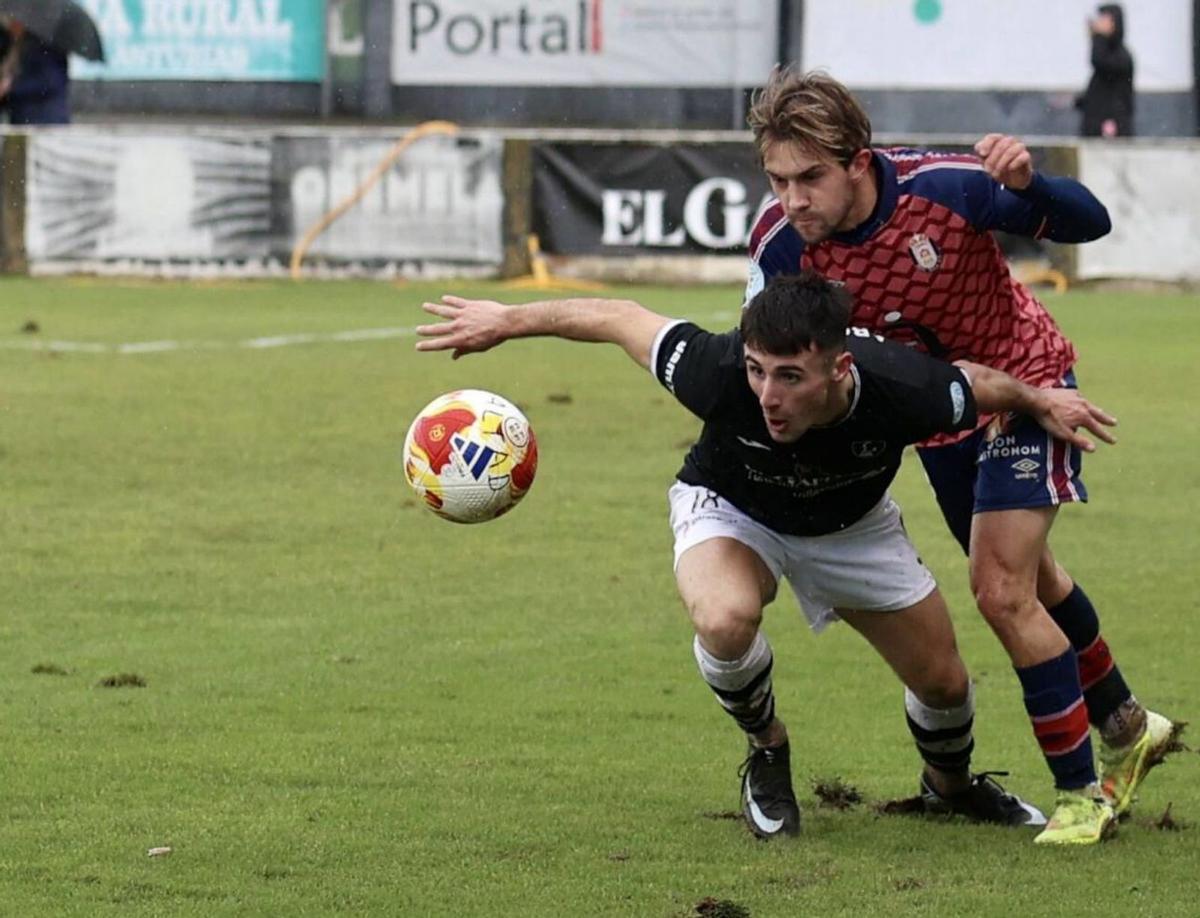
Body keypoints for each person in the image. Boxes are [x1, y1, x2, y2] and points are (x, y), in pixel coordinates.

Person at [414, 271, 1120, 842]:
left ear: (840, 368)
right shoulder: (716, 372)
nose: (767, 396)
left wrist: (1039, 399)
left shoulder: (904, 386)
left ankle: (950, 788)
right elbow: (620, 316)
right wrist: (505, 320)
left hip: (853, 529)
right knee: (724, 618)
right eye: (758, 372)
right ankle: (767, 748)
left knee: (944, 685)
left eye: (789, 377)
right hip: (732, 509)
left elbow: (978, 384)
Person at [743, 67, 1178, 845]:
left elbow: (1092, 223)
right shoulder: (780, 248)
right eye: (777, 180)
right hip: (942, 417)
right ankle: (1126, 724)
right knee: (1035, 581)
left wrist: (1032, 184)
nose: (793, 199)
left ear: (856, 159)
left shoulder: (945, 187)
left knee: (1000, 588)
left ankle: (1083, 797)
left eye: (810, 177)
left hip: (1028, 383)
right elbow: (772, 359)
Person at [1077, 5, 1135, 138]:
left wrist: (1099, 37)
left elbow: (1099, 61)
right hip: (1097, 126)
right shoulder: (1112, 55)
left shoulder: (1121, 57)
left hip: (1111, 128)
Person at [0, 19, 71, 125]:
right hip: (24, 118)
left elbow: (50, 81)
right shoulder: (16, 44)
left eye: (14, 22)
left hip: (43, 118)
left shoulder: (43, 47)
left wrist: (11, 87)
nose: (10, 26)